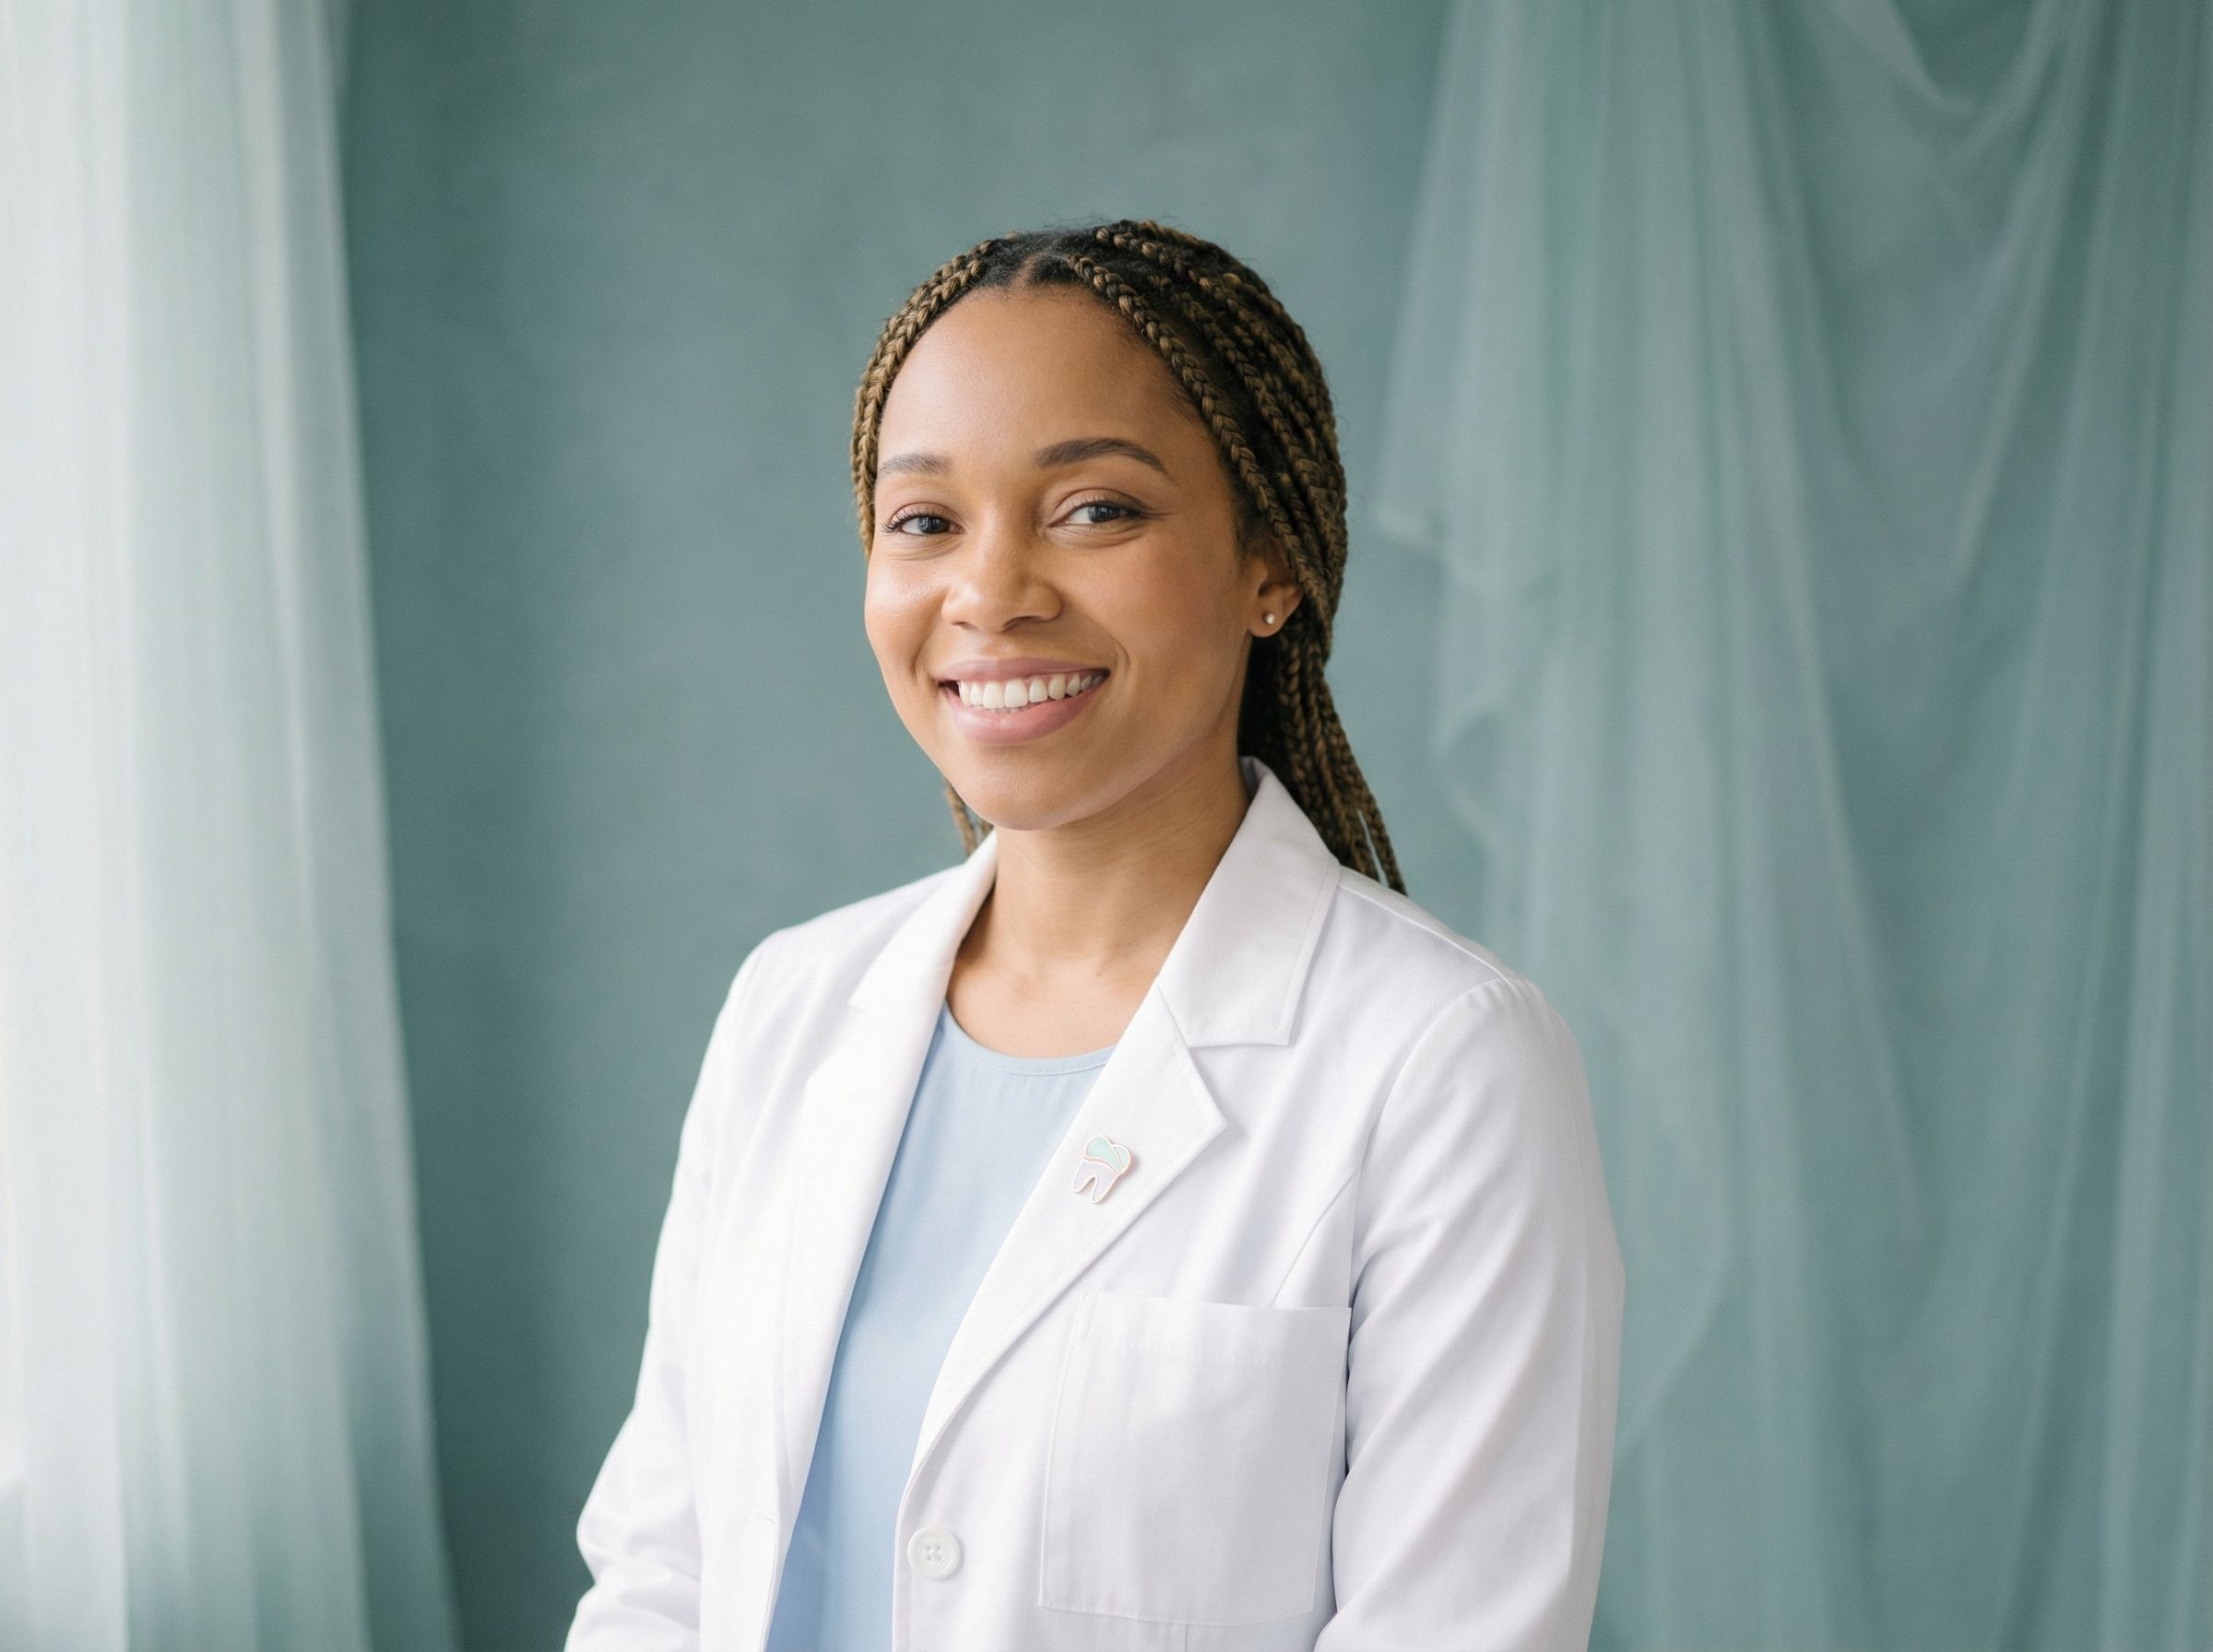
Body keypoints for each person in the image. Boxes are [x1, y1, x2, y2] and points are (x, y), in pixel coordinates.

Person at [565, 219, 1625, 1652]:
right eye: (925, 521)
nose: (991, 593)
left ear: (1273, 565)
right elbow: (659, 1580)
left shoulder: (1443, 1066)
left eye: (1095, 511)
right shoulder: (792, 1007)